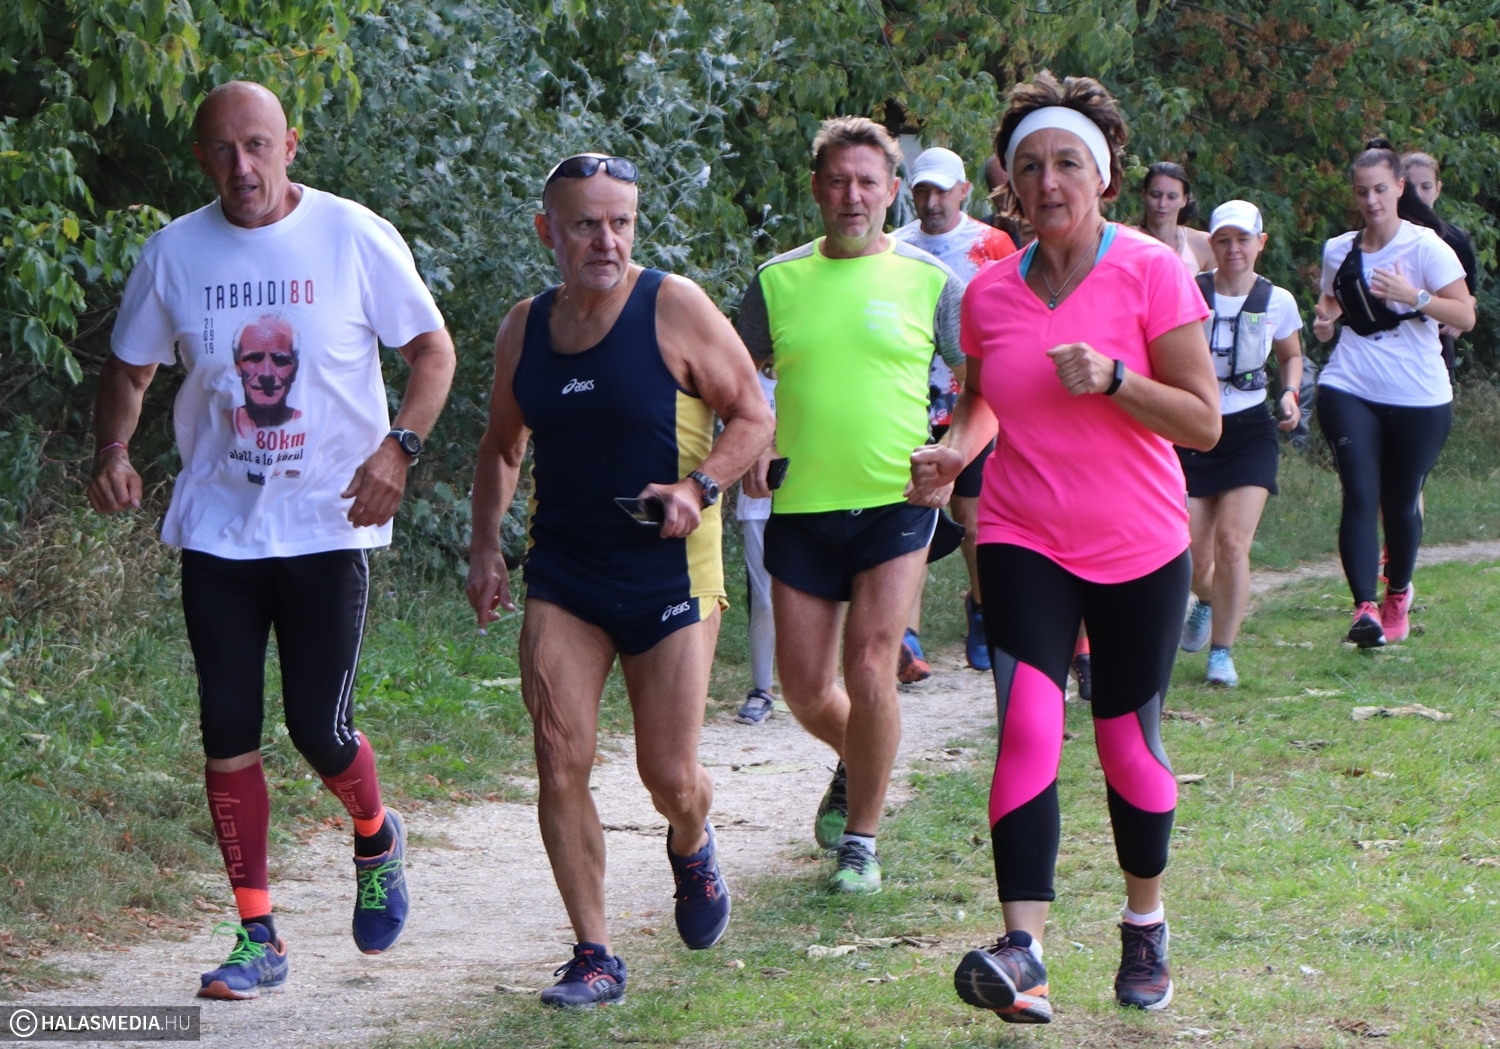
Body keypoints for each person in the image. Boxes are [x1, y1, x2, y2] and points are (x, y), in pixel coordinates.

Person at [87, 81, 456, 999]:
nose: (242, 167)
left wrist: (398, 448)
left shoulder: (352, 235)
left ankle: (375, 834)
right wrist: (113, 450)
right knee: (227, 727)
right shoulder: (174, 253)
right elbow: (129, 371)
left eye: (257, 145)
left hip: (330, 524)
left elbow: (433, 352)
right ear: (201, 159)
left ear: (290, 145)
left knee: (317, 728)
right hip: (220, 531)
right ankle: (258, 934)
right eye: (222, 150)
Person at [908, 70, 1220, 1023]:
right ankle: (1025, 954)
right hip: (1022, 534)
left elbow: (1203, 421)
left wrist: (1117, 377)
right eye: (1033, 165)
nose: (1049, 182)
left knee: (1126, 745)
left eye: (1069, 164)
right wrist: (954, 450)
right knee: (1029, 729)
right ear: (1009, 182)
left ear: (1105, 177)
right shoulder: (987, 293)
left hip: (1139, 543)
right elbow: (983, 397)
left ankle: (1144, 920)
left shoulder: (1152, 271)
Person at [464, 153, 774, 1008]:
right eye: (586, 224)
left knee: (667, 773)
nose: (607, 240)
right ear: (548, 232)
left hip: (669, 568)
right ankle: (595, 953)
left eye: (621, 222)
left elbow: (753, 413)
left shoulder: (673, 306)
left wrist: (698, 487)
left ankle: (691, 837)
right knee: (558, 755)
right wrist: (485, 546)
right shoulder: (524, 328)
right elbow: (501, 446)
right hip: (566, 571)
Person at [735, 116, 964, 894]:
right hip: (802, 504)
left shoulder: (931, 280)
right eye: (838, 181)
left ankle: (861, 842)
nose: (853, 196)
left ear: (893, 191)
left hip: (897, 500)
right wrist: (754, 437)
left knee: (871, 662)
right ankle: (858, 756)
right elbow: (734, 380)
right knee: (804, 688)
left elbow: (984, 383)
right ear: (816, 190)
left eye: (868, 181)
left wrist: (954, 452)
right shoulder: (776, 281)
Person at [1311, 142, 1474, 647]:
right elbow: (1331, 300)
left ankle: (1397, 592)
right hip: (1350, 384)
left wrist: (1415, 297)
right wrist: (1324, 321)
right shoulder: (1339, 249)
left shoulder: (1426, 247)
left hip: (1419, 395)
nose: (1371, 201)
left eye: (1380, 189)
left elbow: (1465, 314)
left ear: (1400, 188)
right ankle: (1363, 609)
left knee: (1400, 503)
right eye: (1362, 192)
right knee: (1360, 493)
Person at [893, 147, 1017, 675]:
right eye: (922, 190)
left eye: (942, 191)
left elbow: (1013, 314)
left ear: (964, 192)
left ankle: (982, 609)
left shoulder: (993, 245)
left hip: (975, 398)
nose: (932, 201)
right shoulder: (895, 247)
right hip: (908, 401)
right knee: (910, 512)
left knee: (972, 520)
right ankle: (908, 637)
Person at [1176, 201, 1304, 686]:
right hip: (1194, 427)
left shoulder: (1278, 300)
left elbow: (1291, 355)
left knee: (1232, 542)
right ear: (1211, 244)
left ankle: (1221, 653)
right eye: (1224, 240)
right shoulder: (1188, 291)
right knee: (1190, 555)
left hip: (1250, 430)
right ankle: (1208, 598)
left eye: (1243, 240)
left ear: (1260, 243)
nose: (1233, 249)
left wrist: (1290, 393)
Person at [1402, 151, 1479, 382]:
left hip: (1436, 349)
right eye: (1411, 187)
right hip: (1387, 343)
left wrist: (1463, 314)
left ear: (1438, 189)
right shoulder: (1379, 235)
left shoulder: (1456, 240)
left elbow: (1469, 293)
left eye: (1426, 187)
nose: (1418, 195)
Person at [734, 361, 780, 724]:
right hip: (758, 504)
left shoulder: (816, 372)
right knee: (764, 599)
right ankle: (761, 689)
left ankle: (817, 684)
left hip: (813, 501)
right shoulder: (747, 380)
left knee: (816, 595)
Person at [1136, 161, 1213, 274]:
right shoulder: (1122, 240)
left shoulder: (1202, 244)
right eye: (1155, 195)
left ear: (1184, 200)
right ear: (1144, 195)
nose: (1162, 204)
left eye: (1171, 197)